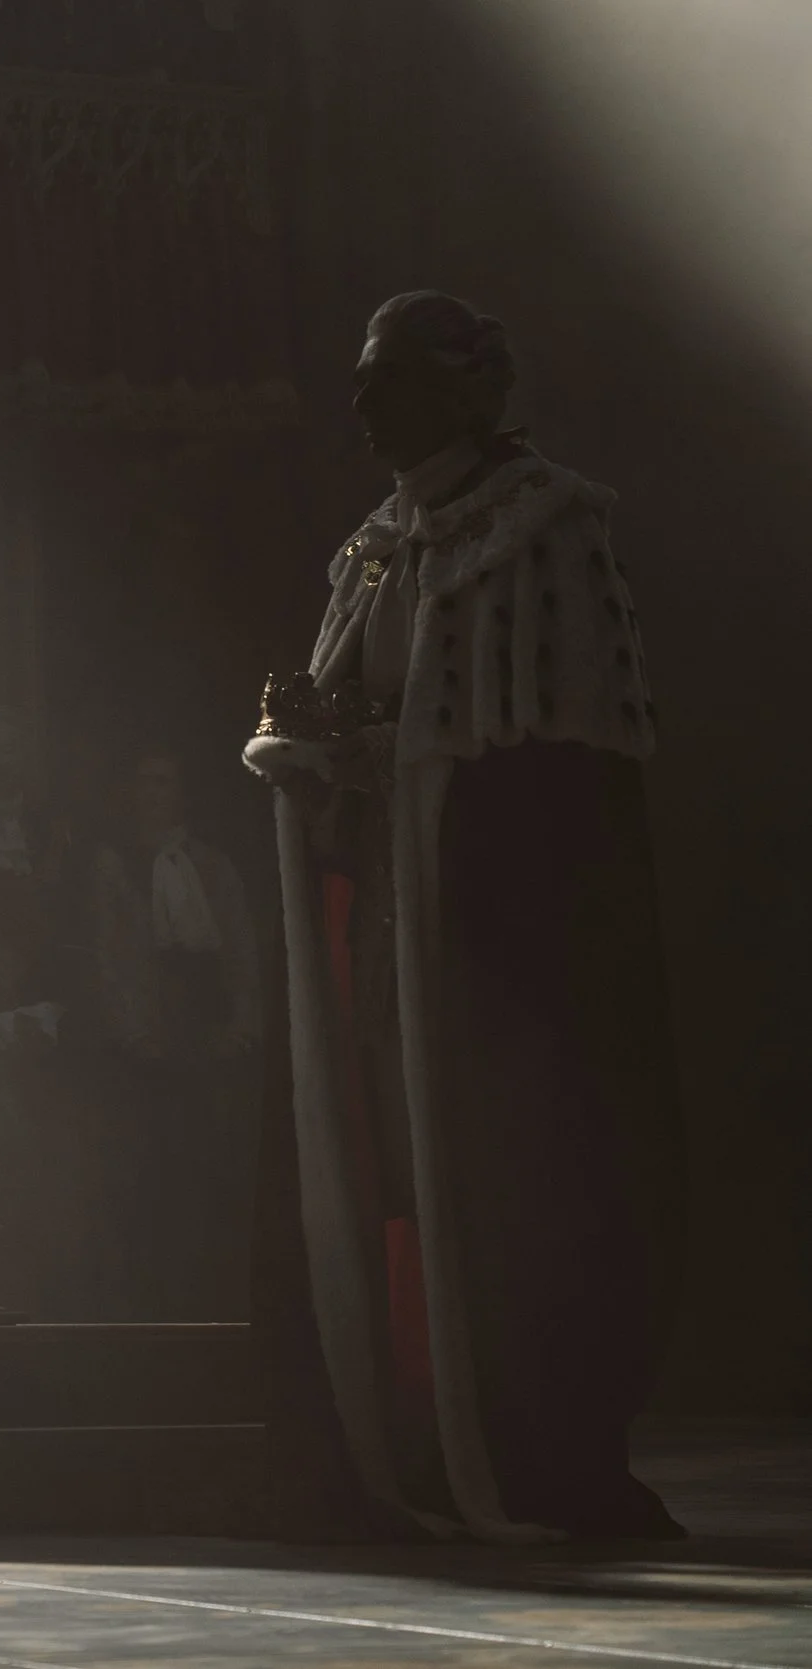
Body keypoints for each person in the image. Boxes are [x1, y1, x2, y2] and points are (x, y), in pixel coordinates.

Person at [243, 291, 680, 1541]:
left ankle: (525, 1436)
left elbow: (562, 765)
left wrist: (401, 770)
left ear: (463, 387)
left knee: (501, 1173)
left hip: (494, 936)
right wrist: (311, 750)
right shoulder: (372, 547)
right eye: (358, 376)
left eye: (387, 376)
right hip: (383, 905)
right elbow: (350, 708)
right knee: (386, 1166)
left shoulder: (545, 527)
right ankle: (407, 1430)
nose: (361, 402)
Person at [84, 749, 260, 1319]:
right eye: (145, 783)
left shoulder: (213, 866)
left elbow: (240, 952)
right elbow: (106, 958)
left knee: (203, 1179)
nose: (154, 794)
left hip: (203, 1038)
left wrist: (240, 1027)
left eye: (165, 783)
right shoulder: (113, 865)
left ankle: (206, 1304)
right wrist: (133, 1035)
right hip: (141, 1047)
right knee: (143, 1180)